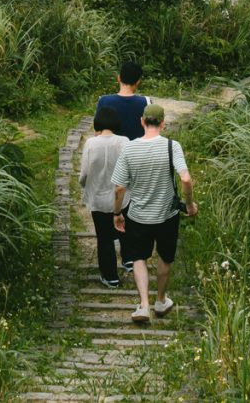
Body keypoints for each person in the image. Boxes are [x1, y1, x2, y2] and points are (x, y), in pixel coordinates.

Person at [109, 108, 193, 325]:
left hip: (138, 216)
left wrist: (117, 213)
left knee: (139, 258)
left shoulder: (129, 148)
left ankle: (144, 305)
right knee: (165, 257)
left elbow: (119, 188)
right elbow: (185, 179)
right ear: (163, 124)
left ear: (142, 121)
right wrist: (190, 204)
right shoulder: (171, 146)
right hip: (167, 215)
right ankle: (161, 300)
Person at [77, 122, 126, 287]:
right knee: (123, 230)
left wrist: (85, 185)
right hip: (120, 197)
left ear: (97, 126)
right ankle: (130, 261)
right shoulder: (124, 141)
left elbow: (84, 174)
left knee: (104, 238)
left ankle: (110, 276)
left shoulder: (91, 143)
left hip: (98, 198)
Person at [94, 60, 148, 139]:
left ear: (119, 78)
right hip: (136, 150)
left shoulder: (104, 101)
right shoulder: (146, 102)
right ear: (138, 82)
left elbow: (98, 133)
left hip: (111, 150)